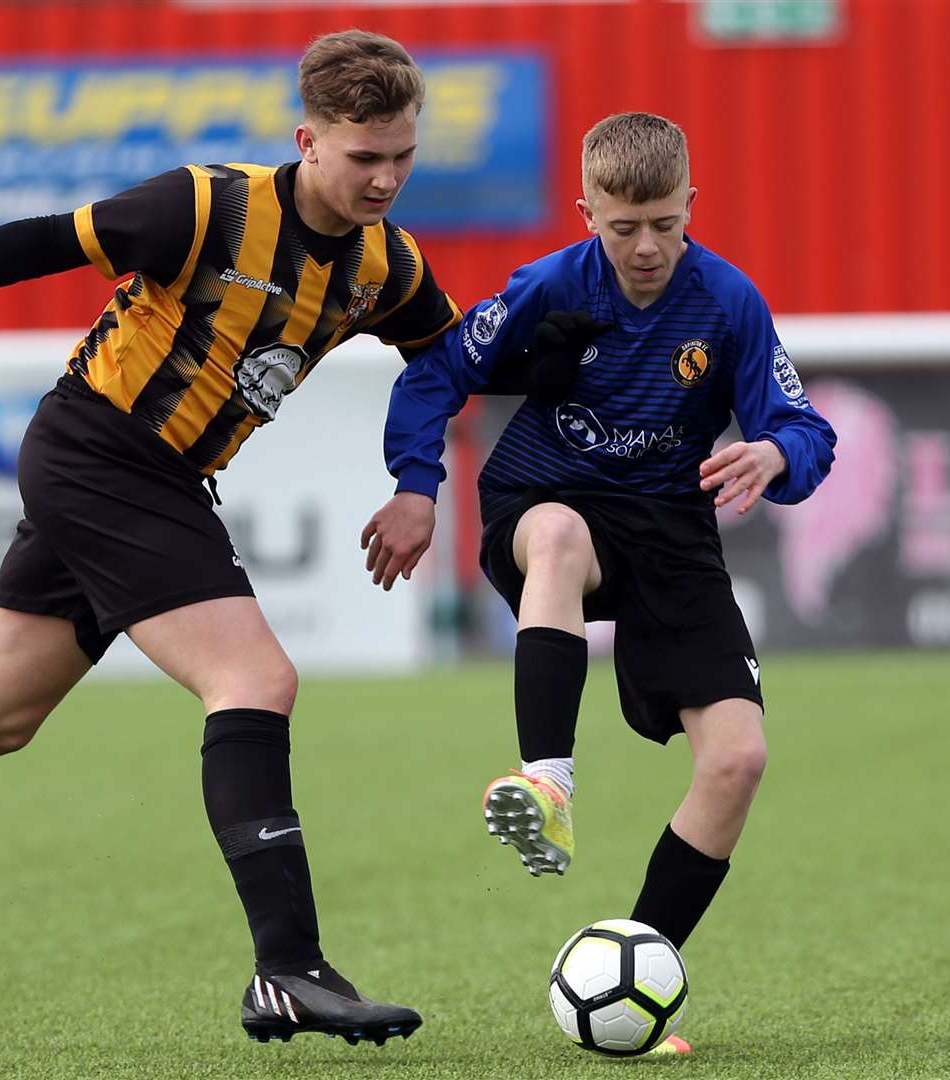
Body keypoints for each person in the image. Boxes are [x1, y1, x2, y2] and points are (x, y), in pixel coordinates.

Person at [0, 29, 460, 1047]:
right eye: (362, 155)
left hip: (152, 476)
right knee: (254, 680)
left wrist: (418, 484)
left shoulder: (387, 265)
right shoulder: (209, 205)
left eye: (400, 156)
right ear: (307, 141)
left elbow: (444, 361)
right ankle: (288, 967)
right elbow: (48, 238)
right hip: (98, 453)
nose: (383, 178)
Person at [360, 112, 836, 1052]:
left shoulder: (728, 301)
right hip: (549, 497)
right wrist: (417, 487)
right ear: (588, 216)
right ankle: (546, 783)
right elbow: (433, 376)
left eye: (664, 222)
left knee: (737, 761)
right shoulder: (547, 286)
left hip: (668, 529)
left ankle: (636, 974)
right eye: (623, 229)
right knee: (557, 539)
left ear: (690, 206)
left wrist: (775, 455)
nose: (647, 246)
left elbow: (804, 424)